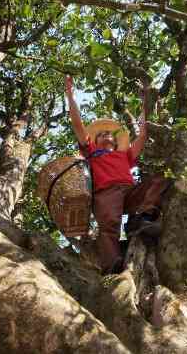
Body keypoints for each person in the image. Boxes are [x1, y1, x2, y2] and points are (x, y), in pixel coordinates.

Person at [64, 75, 170, 275]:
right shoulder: (92, 152)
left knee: (159, 180)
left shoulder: (124, 154)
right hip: (106, 193)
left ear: (114, 140)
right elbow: (78, 125)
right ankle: (112, 266)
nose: (105, 135)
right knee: (109, 226)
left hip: (129, 191)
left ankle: (144, 219)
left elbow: (143, 136)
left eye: (108, 134)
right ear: (95, 141)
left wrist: (145, 106)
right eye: (100, 134)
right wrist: (70, 96)